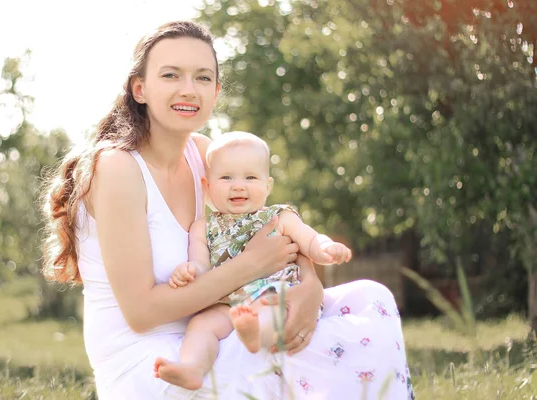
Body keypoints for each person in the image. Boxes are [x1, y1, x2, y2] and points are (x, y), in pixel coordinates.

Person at [41, 20, 415, 399]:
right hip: (157, 364)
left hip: (221, 330)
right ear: (140, 88)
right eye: (171, 75)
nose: (189, 90)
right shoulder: (118, 167)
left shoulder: (202, 155)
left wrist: (309, 285)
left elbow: (270, 226)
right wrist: (250, 266)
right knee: (329, 352)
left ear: (216, 92)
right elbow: (141, 313)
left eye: (203, 78)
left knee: (371, 300)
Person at [153, 131, 353, 390]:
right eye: (226, 177)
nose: (238, 185)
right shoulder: (202, 227)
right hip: (227, 303)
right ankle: (193, 367)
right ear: (207, 187)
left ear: (267, 186)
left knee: (274, 309)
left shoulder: (279, 216)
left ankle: (256, 335)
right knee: (201, 325)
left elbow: (309, 239)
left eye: (250, 177)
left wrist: (325, 247)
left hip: (276, 293)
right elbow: (201, 265)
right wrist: (189, 270)